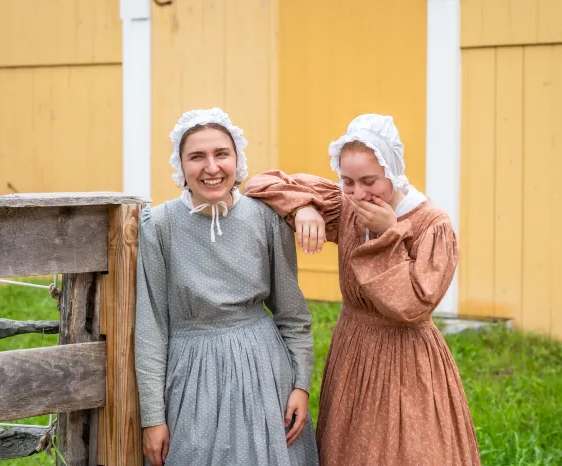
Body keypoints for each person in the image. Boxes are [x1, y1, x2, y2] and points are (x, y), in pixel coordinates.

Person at [243, 114, 481, 465]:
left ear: (393, 171)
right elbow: (260, 184)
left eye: (370, 181)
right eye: (347, 181)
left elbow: (414, 306)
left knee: (409, 450)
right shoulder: (347, 206)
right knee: (353, 446)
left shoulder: (432, 224)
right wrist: (305, 206)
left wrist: (389, 234)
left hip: (408, 357)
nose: (358, 193)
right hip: (354, 346)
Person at [135, 108, 319, 466]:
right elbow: (151, 327)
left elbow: (292, 313)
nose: (212, 167)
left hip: (265, 372)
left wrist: (301, 384)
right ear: (181, 165)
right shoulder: (159, 225)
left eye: (222, 154)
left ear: (237, 159)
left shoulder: (266, 218)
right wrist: (153, 417)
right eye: (197, 157)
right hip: (191, 374)